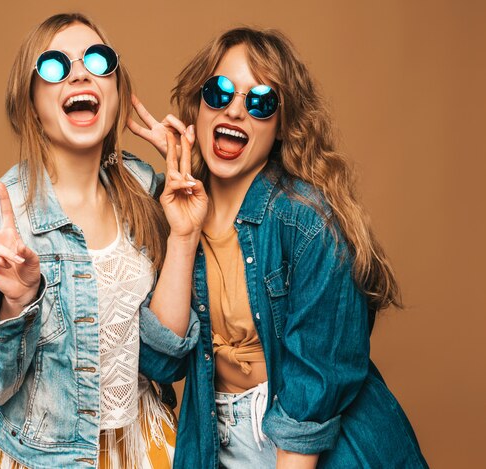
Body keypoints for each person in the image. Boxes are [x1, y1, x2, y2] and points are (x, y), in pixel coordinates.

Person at [132, 27, 429, 468]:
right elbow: (160, 363)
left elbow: (315, 387)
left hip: (310, 443)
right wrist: (182, 235)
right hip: (217, 439)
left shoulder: (307, 222)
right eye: (220, 92)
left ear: (282, 127)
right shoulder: (172, 209)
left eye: (260, 102)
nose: (235, 110)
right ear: (198, 105)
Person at [0, 13, 206, 469]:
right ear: (31, 104)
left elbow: (164, 364)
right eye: (53, 66)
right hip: (51, 459)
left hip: (147, 446)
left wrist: (185, 229)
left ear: (114, 94)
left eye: (97, 59)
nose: (78, 72)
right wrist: (16, 306)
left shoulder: (144, 188)